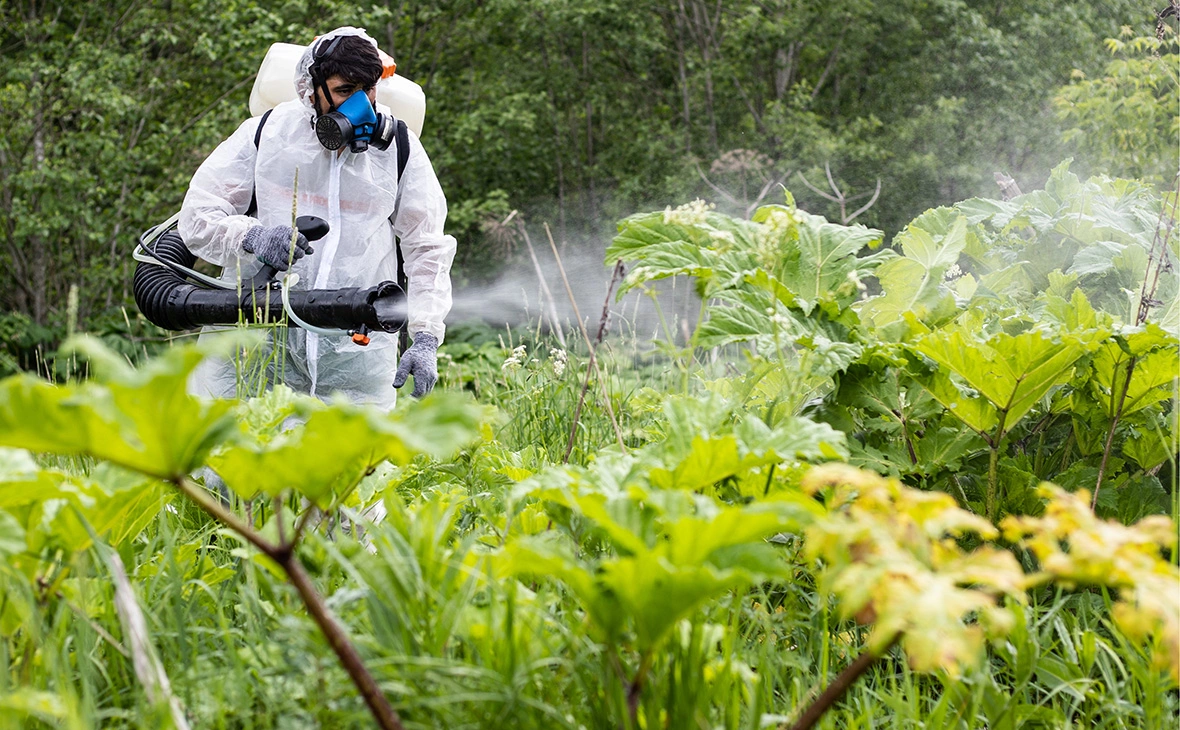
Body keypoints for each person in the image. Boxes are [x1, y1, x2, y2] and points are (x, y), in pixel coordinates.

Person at [180, 26, 454, 408]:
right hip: (255, 345)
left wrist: (425, 335)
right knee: (229, 457)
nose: (361, 106)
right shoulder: (267, 134)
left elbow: (427, 247)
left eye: (369, 90)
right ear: (311, 90)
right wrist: (254, 237)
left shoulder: (398, 148)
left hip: (356, 356)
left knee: (354, 463)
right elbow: (197, 216)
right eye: (344, 92)